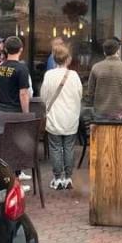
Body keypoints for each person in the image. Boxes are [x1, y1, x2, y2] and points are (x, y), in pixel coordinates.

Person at [40, 44, 83, 190]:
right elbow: (79, 95)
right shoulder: (75, 76)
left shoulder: (49, 75)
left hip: (54, 116)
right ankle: (68, 177)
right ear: (68, 59)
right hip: (70, 116)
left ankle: (57, 178)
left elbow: (44, 96)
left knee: (56, 147)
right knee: (69, 147)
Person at [84, 38, 122, 117]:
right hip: (121, 113)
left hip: (100, 113)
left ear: (104, 52)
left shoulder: (96, 67)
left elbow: (90, 92)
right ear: (118, 51)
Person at [0, 36, 31, 114]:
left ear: (6, 50)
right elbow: (23, 93)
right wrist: (26, 114)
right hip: (15, 112)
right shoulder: (22, 69)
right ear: (21, 49)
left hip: (0, 110)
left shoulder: (0, 67)